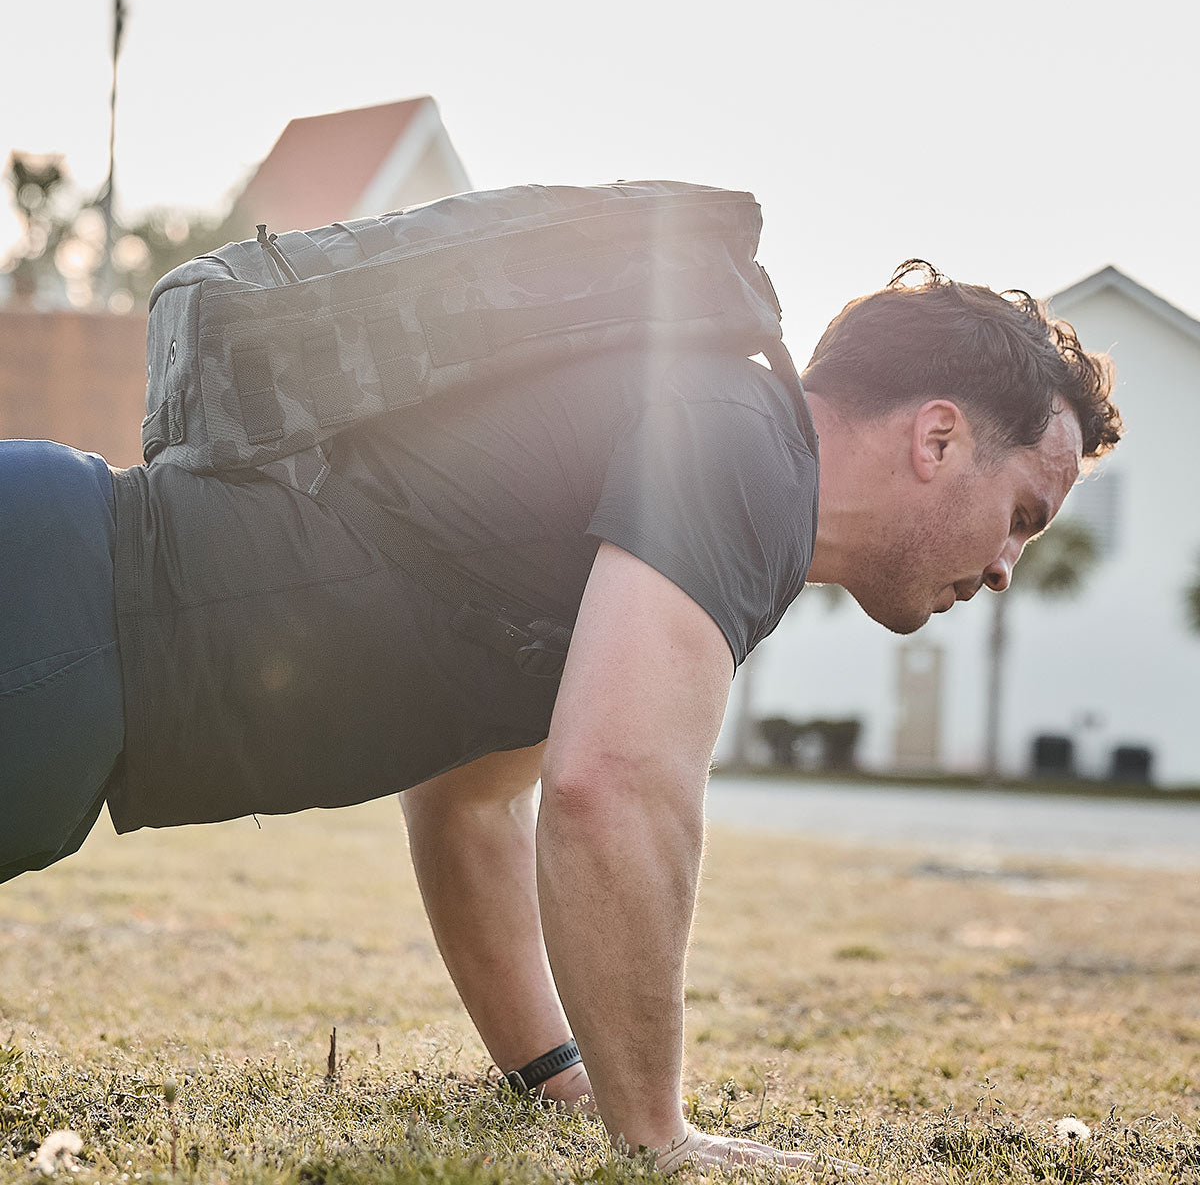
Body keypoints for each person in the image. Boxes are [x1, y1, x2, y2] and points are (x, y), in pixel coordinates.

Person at [0, 259, 1121, 1173]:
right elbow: (614, 786)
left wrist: (558, 1076)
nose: (1011, 566)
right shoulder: (739, 448)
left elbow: (477, 804)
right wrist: (659, 1137)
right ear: (937, 440)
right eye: (1025, 512)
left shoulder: (709, 446)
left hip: (60, 657)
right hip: (48, 625)